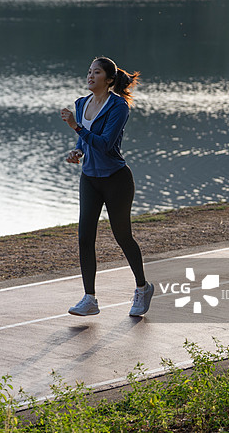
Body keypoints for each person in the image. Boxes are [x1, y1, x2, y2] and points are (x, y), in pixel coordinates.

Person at [59, 56, 153, 317]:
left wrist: (75, 127)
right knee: (84, 238)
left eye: (96, 72)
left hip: (116, 179)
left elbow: (105, 144)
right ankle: (89, 298)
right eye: (89, 71)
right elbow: (87, 144)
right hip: (89, 178)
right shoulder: (81, 103)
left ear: (109, 80)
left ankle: (143, 288)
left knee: (122, 236)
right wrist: (76, 151)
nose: (90, 76)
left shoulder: (118, 107)